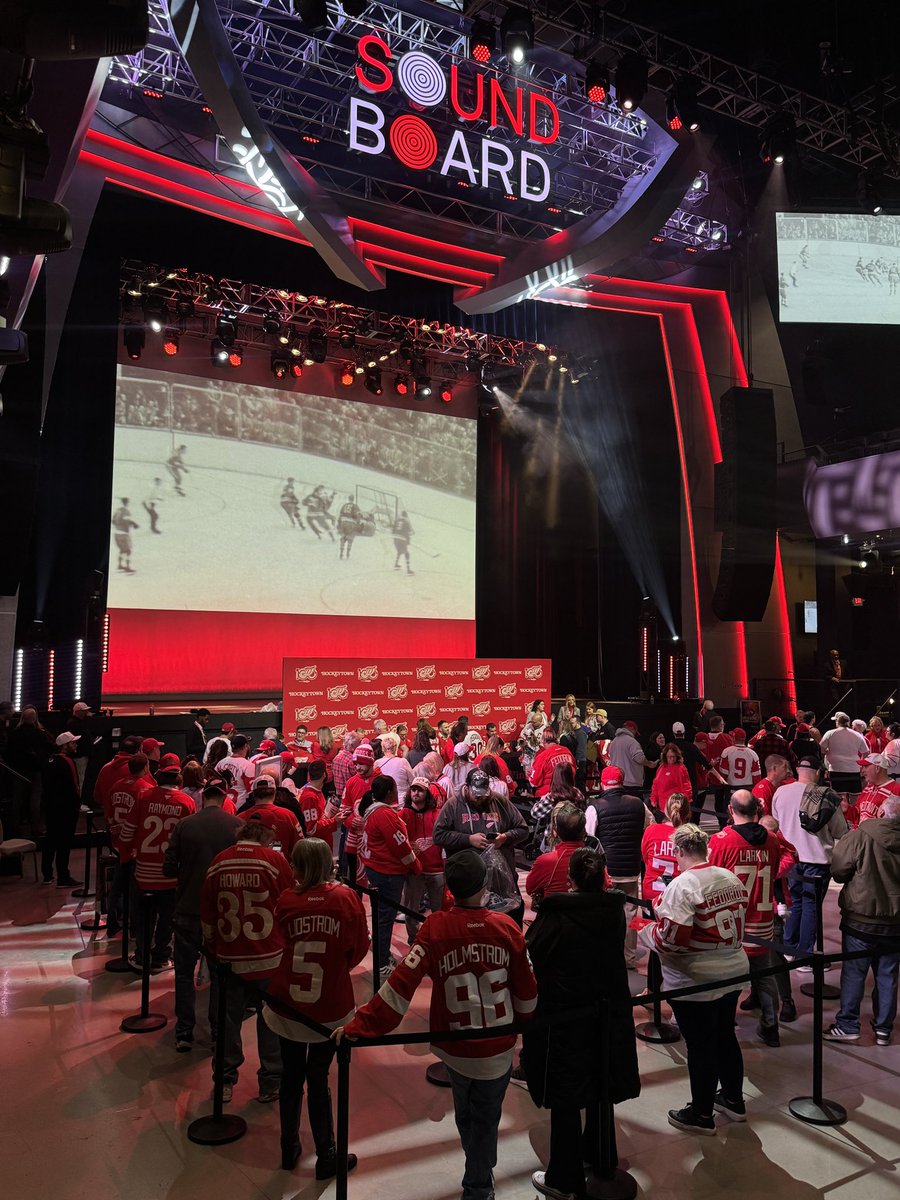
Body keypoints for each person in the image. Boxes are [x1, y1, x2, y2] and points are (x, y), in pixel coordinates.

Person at [336, 850, 537, 1200]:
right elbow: (527, 993)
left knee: (467, 1115)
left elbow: (399, 986)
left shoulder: (436, 927)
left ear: (450, 887)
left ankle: (477, 1182)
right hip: (497, 1048)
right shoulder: (507, 928)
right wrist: (522, 1027)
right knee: (485, 1118)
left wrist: (359, 1026)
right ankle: (480, 1178)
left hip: (456, 1047)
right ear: (484, 884)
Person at [523, 846, 640, 1200]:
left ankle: (564, 1176)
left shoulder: (557, 913)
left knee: (566, 1094)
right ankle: (599, 1153)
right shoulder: (614, 910)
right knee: (601, 1080)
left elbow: (535, 953)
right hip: (607, 1010)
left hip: (567, 1013)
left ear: (570, 879)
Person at [265, 838, 369, 1174]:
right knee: (319, 1076)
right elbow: (359, 946)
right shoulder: (345, 898)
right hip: (330, 1003)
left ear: (297, 865)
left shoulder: (286, 900)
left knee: (291, 1075)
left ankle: (288, 1148)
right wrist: (337, 968)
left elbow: (279, 941)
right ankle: (327, 1154)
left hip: (289, 1001)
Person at [640, 824, 750, 1135]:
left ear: (678, 851)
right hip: (733, 968)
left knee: (700, 1045)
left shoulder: (683, 885)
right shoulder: (729, 877)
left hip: (696, 978)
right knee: (725, 1035)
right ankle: (733, 1099)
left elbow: (672, 941)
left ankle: (701, 1113)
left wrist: (645, 931)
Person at [202, 820, 293, 1103]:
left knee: (227, 1023)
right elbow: (289, 903)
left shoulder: (219, 862)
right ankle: (271, 1082)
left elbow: (208, 914)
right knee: (271, 1022)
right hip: (269, 955)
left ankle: (224, 1080)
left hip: (230, 956)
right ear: (264, 838)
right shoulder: (274, 860)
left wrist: (214, 949)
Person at [708, 791, 794, 1048]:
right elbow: (786, 859)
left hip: (732, 922)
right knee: (764, 974)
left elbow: (709, 879)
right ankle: (770, 1026)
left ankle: (725, 1025)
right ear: (756, 809)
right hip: (763, 920)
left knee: (727, 977)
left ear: (730, 810)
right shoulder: (771, 839)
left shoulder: (721, 841)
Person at [163, 779, 242, 1053]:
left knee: (184, 973)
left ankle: (184, 1032)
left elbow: (168, 868)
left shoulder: (185, 825)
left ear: (204, 796)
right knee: (220, 975)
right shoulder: (236, 825)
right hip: (222, 912)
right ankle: (218, 1032)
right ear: (223, 798)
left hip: (188, 908)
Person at [824, 795, 900, 1046]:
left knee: (854, 973)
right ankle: (883, 1029)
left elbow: (839, 871)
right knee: (888, 975)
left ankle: (847, 1025)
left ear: (881, 813)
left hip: (860, 918)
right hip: (895, 922)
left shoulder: (860, 836)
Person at [119, 763, 194, 972]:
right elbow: (187, 839)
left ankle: (142, 956)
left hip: (143, 871)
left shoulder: (143, 797)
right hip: (171, 874)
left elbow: (127, 833)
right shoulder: (186, 802)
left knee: (143, 917)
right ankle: (161, 957)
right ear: (178, 780)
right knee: (167, 919)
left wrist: (130, 851)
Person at [772, 756, 848, 959]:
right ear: (818, 772)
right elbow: (840, 831)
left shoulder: (780, 792)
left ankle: (789, 948)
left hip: (791, 859)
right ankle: (805, 956)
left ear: (798, 770)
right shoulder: (827, 795)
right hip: (817, 860)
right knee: (811, 908)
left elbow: (776, 824)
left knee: (796, 902)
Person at [433, 767, 529, 922]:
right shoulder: (453, 805)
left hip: (502, 880)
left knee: (510, 920)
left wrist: (505, 837)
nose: (480, 799)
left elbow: (523, 829)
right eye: (476, 795)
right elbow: (438, 836)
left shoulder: (499, 801)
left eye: (483, 795)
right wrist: (468, 839)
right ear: (466, 788)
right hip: (468, 882)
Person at [586, 765, 650, 970]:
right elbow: (650, 831)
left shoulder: (595, 807)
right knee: (630, 913)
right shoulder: (639, 804)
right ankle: (628, 958)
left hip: (606, 871)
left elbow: (589, 840)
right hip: (631, 868)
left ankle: (606, 957)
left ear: (603, 783)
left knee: (605, 913)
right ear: (622, 781)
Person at [359, 774, 422, 979]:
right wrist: (416, 865)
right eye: (395, 788)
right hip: (387, 873)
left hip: (378, 869)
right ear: (389, 792)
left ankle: (383, 955)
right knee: (385, 919)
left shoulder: (374, 810)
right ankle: (382, 962)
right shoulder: (384, 815)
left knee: (383, 918)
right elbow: (400, 846)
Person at [400, 778, 445, 943]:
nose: (416, 793)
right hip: (414, 870)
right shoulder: (403, 814)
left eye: (420, 790)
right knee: (411, 911)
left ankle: (436, 940)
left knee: (438, 911)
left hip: (436, 870)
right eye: (413, 789)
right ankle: (414, 940)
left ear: (427, 793)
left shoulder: (437, 814)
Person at [525, 802, 586, 909]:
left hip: (554, 916)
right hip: (589, 916)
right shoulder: (594, 859)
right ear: (584, 832)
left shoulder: (545, 861)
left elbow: (530, 889)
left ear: (555, 831)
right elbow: (606, 887)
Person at [41, 732, 83, 886]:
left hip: (50, 807)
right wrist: (77, 805)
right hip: (66, 808)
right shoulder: (67, 762)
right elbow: (74, 786)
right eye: (73, 742)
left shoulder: (48, 761)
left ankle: (47, 875)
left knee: (50, 840)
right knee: (64, 843)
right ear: (65, 745)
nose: (75, 745)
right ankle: (63, 877)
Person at [6, 705, 53, 837]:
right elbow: (49, 748)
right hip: (36, 770)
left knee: (17, 799)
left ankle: (14, 829)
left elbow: (8, 752)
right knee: (35, 800)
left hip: (18, 771)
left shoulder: (14, 733)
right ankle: (35, 828)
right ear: (35, 718)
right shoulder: (39, 734)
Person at [339, 744, 380, 882]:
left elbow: (392, 810)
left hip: (376, 842)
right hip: (354, 840)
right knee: (354, 880)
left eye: (361, 764)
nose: (357, 767)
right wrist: (351, 820)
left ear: (370, 762)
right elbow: (343, 810)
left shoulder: (382, 781)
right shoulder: (351, 782)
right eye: (355, 764)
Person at [641, 792, 690, 900]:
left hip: (651, 893)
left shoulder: (651, 830)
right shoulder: (690, 835)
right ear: (688, 813)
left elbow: (646, 860)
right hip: (679, 895)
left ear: (666, 810)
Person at [239, 775, 304, 856]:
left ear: (253, 794)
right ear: (275, 792)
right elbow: (299, 846)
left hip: (249, 861)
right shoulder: (288, 816)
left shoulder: (240, 817)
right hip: (280, 862)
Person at [820, 712, 867, 795]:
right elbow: (866, 752)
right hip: (854, 769)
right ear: (848, 723)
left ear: (837, 722)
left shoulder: (829, 733)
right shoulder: (857, 735)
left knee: (838, 796)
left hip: (836, 769)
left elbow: (821, 749)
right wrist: (861, 766)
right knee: (854, 795)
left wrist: (826, 753)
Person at [607, 721, 653, 796]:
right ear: (632, 728)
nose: (635, 735)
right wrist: (649, 764)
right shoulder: (632, 742)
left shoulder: (613, 742)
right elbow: (640, 758)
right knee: (634, 803)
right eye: (635, 732)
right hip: (632, 783)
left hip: (618, 782)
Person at [529, 727, 576, 799]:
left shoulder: (543, 755)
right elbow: (574, 771)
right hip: (568, 793)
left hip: (547, 796)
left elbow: (534, 782)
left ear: (543, 741)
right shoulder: (567, 751)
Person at [297, 759, 339, 840]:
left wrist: (330, 814)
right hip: (318, 844)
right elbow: (310, 830)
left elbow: (320, 817)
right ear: (324, 775)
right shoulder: (309, 797)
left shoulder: (317, 791)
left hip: (323, 840)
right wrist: (334, 821)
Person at [650, 743, 692, 818]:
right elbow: (655, 785)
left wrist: (686, 804)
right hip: (661, 808)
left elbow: (686, 787)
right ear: (665, 756)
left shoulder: (681, 768)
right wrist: (653, 799)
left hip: (675, 808)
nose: (672, 759)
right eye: (669, 757)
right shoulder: (661, 768)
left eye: (674, 756)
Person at [857, 753, 900, 823]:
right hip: (860, 829)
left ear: (877, 768)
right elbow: (857, 815)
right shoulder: (867, 789)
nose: (862, 770)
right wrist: (847, 810)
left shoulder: (897, 790)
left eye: (866, 766)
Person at [375, 731, 415, 803]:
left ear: (382, 749)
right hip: (402, 801)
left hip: (383, 801)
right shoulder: (403, 762)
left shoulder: (377, 763)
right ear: (395, 748)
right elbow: (412, 781)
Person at [217, 735, 256, 809]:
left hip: (222, 808)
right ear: (246, 746)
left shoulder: (220, 764)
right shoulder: (248, 766)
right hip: (240, 809)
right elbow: (253, 794)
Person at [718, 729, 761, 796]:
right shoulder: (753, 754)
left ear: (733, 738)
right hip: (747, 789)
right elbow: (757, 776)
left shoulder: (727, 751)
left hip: (731, 788)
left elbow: (723, 773)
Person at [66, 701, 94, 791]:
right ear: (78, 712)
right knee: (79, 778)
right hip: (79, 756)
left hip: (82, 755)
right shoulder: (74, 724)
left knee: (81, 778)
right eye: (84, 711)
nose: (86, 712)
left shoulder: (79, 722)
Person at [112, 498, 139, 572]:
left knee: (122, 549)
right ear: (127, 503)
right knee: (128, 551)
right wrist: (133, 524)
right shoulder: (126, 511)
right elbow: (126, 521)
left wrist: (118, 526)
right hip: (123, 534)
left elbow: (113, 521)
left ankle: (120, 565)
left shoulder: (118, 510)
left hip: (116, 533)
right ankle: (128, 567)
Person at [337, 494, 362, 560]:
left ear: (348, 499)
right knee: (350, 537)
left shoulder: (344, 505)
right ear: (353, 499)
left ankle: (341, 553)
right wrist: (358, 522)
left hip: (343, 522)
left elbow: (340, 515)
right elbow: (357, 515)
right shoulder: (355, 506)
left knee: (343, 537)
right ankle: (348, 554)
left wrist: (339, 524)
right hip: (350, 523)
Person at [392, 509, 414, 574]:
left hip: (396, 539)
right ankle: (408, 570)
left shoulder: (396, 521)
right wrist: (408, 541)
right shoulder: (406, 522)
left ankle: (396, 564)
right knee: (406, 553)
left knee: (399, 551)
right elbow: (407, 532)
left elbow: (393, 531)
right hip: (402, 540)